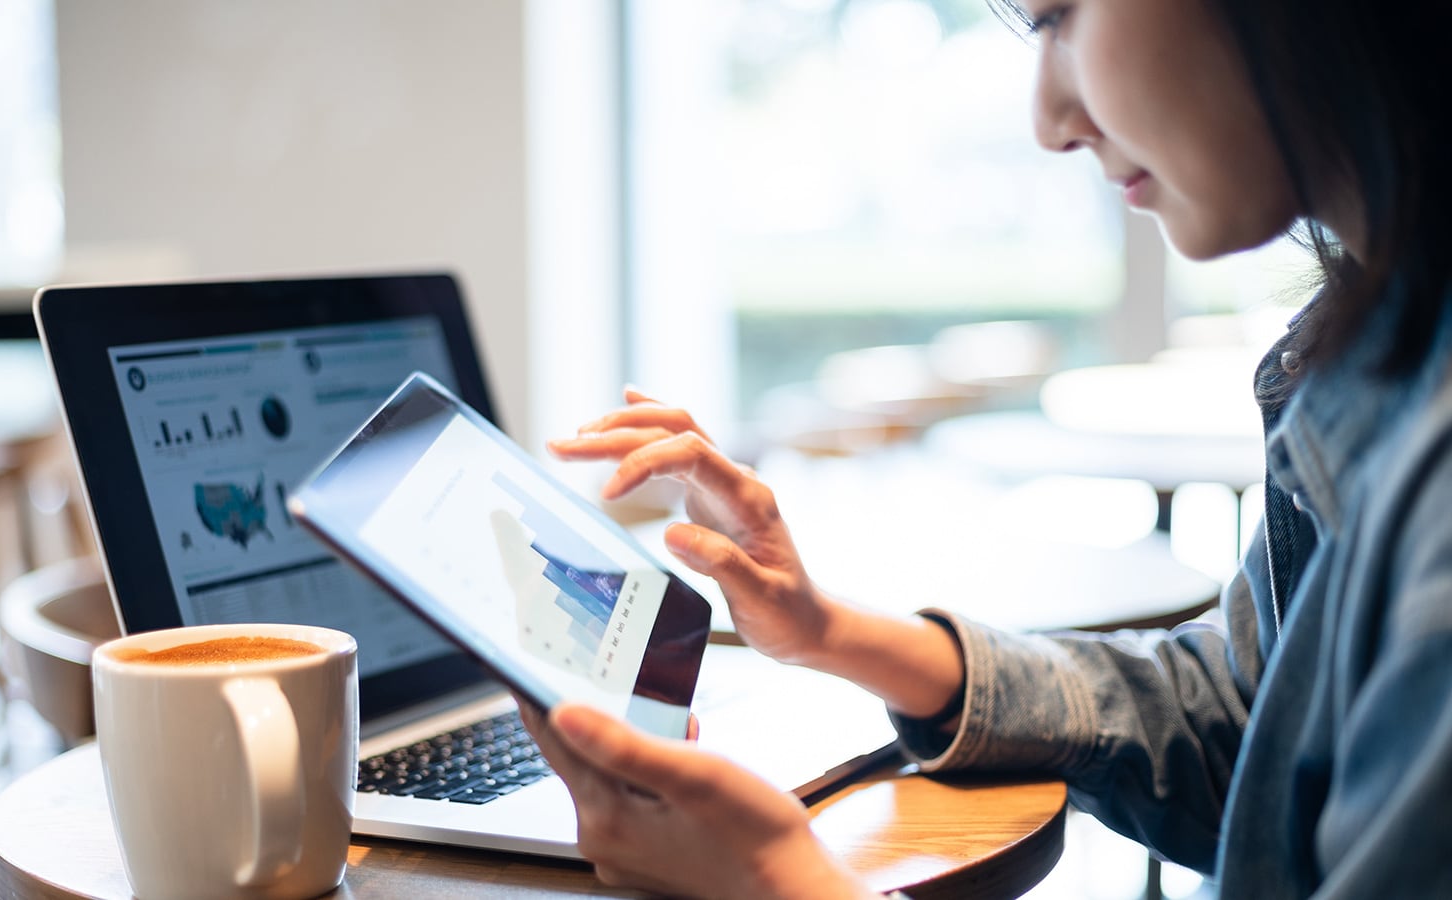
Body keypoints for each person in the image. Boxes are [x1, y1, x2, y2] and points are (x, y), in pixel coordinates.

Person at [516, 0, 1452, 896]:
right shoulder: (1376, 360)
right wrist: (829, 632)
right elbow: (1235, 730)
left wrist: (776, 884)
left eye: (1060, 17)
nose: (1050, 120)